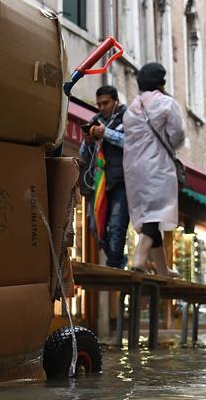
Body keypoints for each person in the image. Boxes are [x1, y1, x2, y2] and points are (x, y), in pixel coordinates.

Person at [123, 62, 184, 276]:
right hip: (157, 166)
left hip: (133, 168)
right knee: (155, 213)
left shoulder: (131, 109)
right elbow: (177, 135)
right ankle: (139, 258)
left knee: (150, 213)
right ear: (161, 83)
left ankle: (162, 268)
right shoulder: (167, 103)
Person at [79, 86, 129, 268]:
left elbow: (131, 142)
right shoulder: (94, 121)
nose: (101, 107)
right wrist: (88, 141)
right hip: (99, 183)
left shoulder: (128, 117)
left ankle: (115, 264)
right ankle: (117, 261)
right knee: (95, 227)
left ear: (116, 101)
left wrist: (105, 133)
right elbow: (83, 153)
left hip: (121, 182)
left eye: (105, 103)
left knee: (117, 226)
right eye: (99, 104)